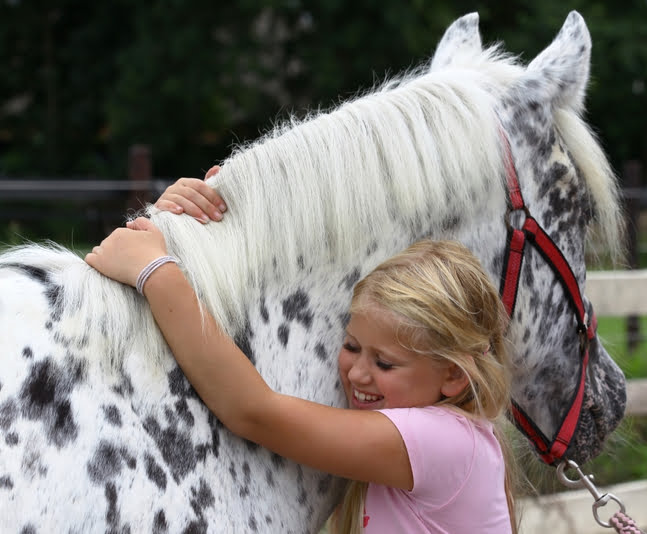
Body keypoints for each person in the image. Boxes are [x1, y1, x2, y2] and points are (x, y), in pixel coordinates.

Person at [86, 173, 519, 534]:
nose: (358, 374)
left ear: (454, 377)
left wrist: (156, 272)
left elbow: (253, 411)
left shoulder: (444, 441)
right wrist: (207, 218)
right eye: (351, 347)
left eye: (384, 363)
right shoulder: (439, 434)